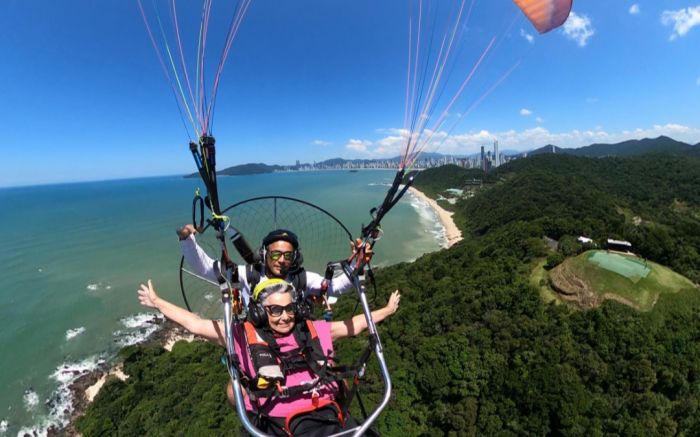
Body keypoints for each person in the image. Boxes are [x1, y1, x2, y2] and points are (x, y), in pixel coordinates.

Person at [138, 278, 400, 436]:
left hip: (328, 414)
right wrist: (158, 302)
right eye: (274, 310)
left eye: (289, 309)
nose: (284, 316)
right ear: (261, 313)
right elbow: (196, 325)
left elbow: (354, 324)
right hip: (280, 422)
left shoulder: (314, 329)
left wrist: (386, 311)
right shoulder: (241, 335)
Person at [178, 225, 368, 306]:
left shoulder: (301, 278)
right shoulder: (248, 275)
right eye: (275, 254)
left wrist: (359, 264)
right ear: (264, 254)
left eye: (288, 255)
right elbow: (205, 268)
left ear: (295, 257)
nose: (281, 259)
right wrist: (187, 239)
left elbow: (334, 288)